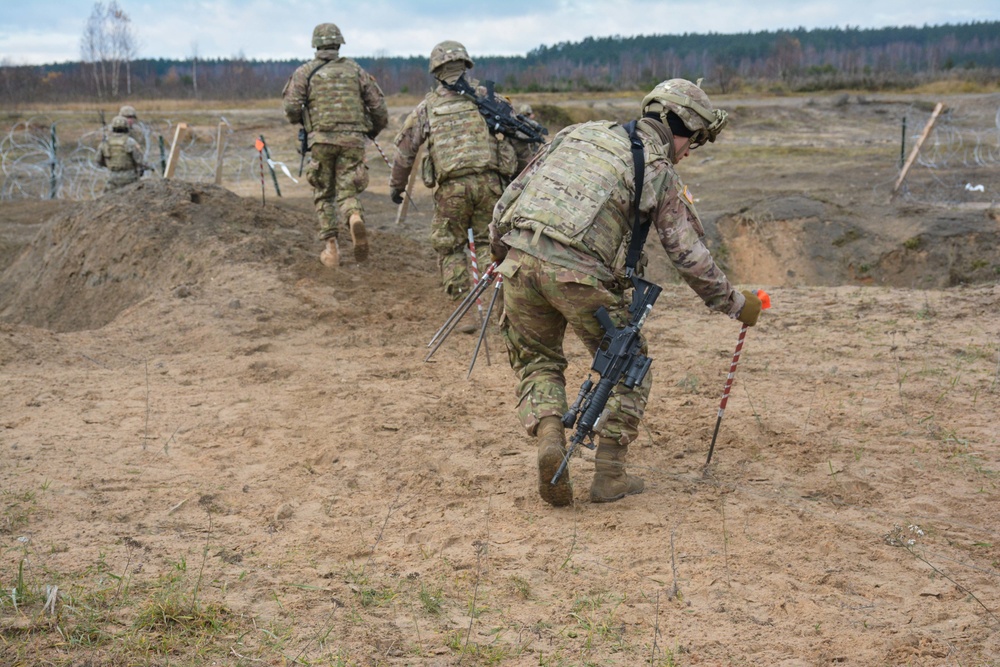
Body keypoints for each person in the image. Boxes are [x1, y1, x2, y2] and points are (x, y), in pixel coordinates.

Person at [489, 79, 764, 507]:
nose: (690, 152)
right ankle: (609, 475)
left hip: (518, 260)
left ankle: (549, 436)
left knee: (538, 361)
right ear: (683, 128)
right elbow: (689, 256)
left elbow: (507, 200)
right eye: (694, 141)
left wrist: (500, 254)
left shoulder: (576, 134)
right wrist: (734, 302)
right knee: (630, 362)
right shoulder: (657, 168)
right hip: (579, 275)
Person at [389, 40, 522, 299]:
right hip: (491, 186)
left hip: (452, 191)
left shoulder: (427, 107)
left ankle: (462, 301)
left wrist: (397, 185)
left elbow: (405, 152)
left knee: (449, 246)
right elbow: (519, 139)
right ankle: (495, 300)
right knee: (489, 242)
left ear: (437, 71)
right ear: (466, 66)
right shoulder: (489, 99)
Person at [282, 22, 388, 267]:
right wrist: (371, 131)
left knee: (324, 192)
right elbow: (379, 109)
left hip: (321, 140)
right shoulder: (356, 71)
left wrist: (305, 122)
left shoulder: (304, 73)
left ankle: (331, 250)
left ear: (316, 45)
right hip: (353, 141)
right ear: (339, 44)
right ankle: (353, 217)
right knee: (347, 190)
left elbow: (290, 109)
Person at [96, 115, 146, 191]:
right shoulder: (130, 142)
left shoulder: (106, 143)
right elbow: (139, 160)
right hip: (130, 177)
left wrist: (110, 165)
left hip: (112, 176)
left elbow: (98, 160)